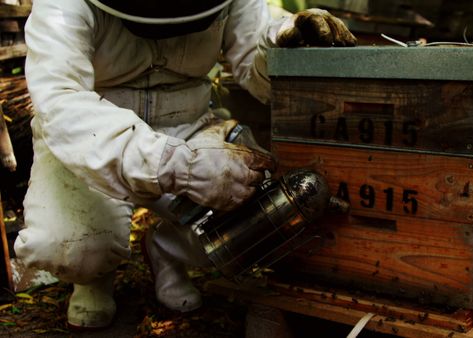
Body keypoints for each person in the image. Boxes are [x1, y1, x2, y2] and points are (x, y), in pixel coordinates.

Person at [14, 0, 356, 329]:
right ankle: (92, 277)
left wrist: (283, 43)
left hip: (190, 124)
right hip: (89, 134)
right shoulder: (63, 4)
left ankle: (169, 248)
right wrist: (177, 165)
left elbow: (255, 69)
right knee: (67, 246)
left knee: (266, 215)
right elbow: (62, 103)